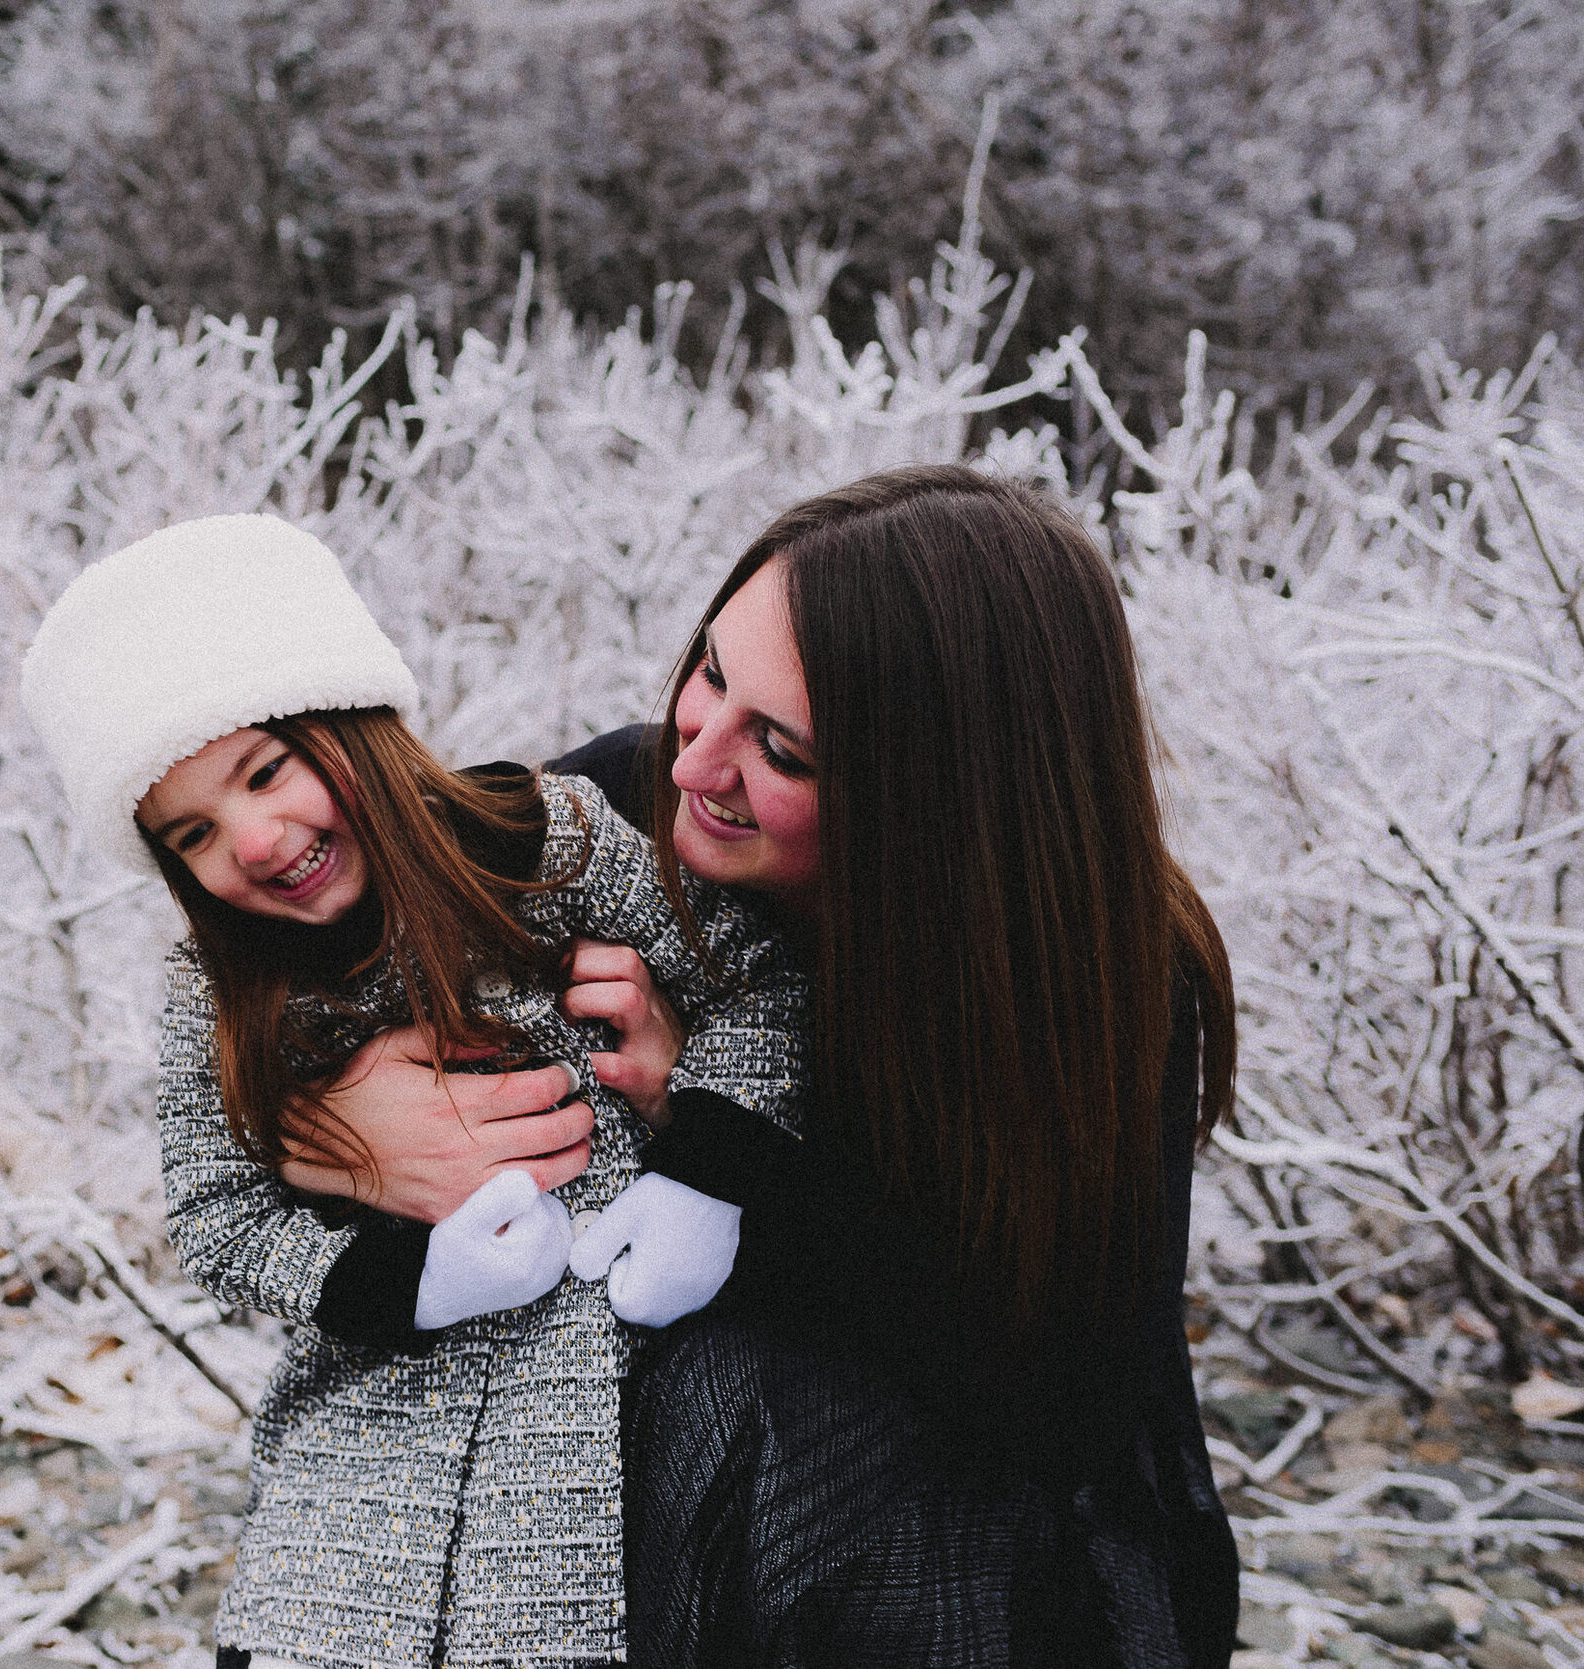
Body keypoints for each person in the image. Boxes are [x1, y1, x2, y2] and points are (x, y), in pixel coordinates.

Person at [288, 467, 1242, 1667]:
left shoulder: (1103, 965)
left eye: (780, 750)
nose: (698, 762)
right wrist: (342, 1110)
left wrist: (715, 1121)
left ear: (932, 800)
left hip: (982, 1534)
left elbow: (1052, 1393)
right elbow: (308, 952)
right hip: (650, 1460)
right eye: (711, 674)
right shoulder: (622, 805)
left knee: (733, 1392)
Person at [19, 513, 804, 1669]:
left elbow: (759, 982)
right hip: (362, 1444)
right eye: (192, 831)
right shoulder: (221, 992)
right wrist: (405, 1278)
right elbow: (215, 1217)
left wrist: (701, 1183)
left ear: (351, 721)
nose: (254, 837)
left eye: (266, 770)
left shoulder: (542, 841)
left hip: (604, 1410)